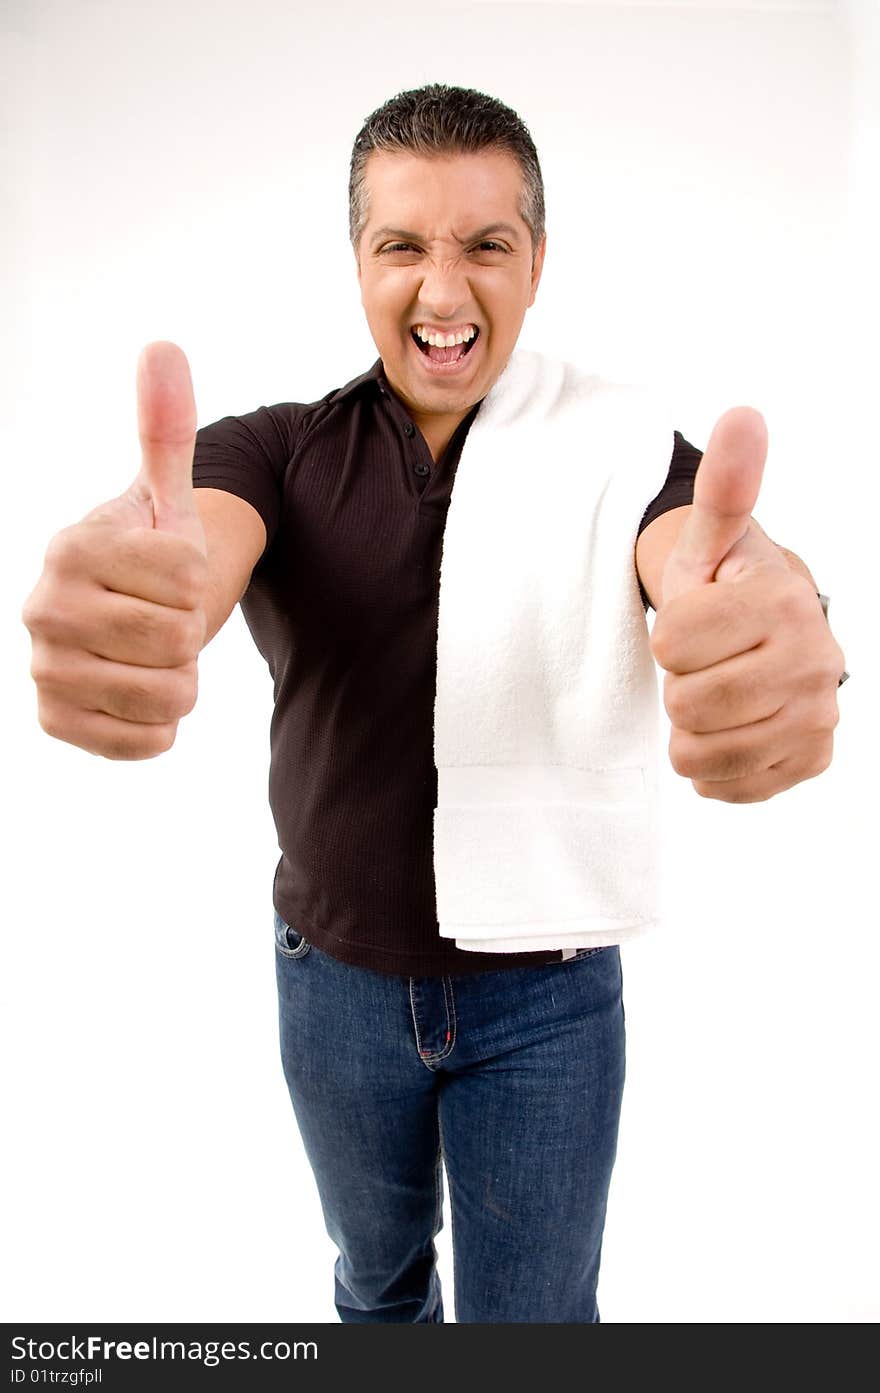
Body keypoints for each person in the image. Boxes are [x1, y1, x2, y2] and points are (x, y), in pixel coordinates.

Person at [21, 83, 846, 1323]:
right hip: (333, 983)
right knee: (377, 1285)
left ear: (538, 261)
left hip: (549, 997)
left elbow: (705, 559)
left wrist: (781, 622)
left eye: (484, 245)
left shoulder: (628, 450)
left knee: (534, 1322)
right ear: (357, 259)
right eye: (402, 244)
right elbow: (195, 545)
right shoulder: (275, 451)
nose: (442, 291)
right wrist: (142, 595)